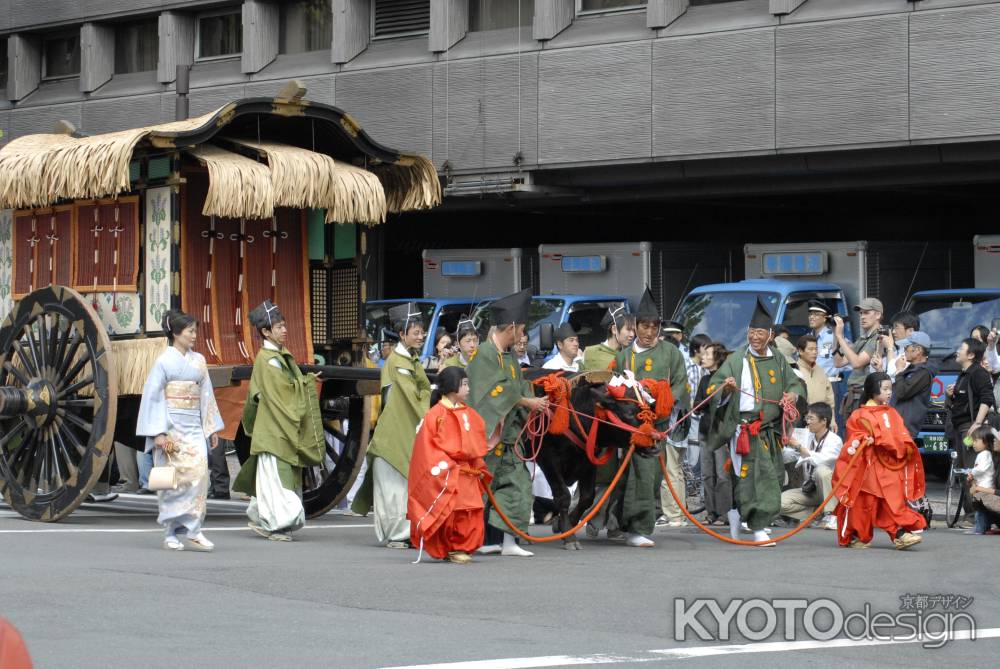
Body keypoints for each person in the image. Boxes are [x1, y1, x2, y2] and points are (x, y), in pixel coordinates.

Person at [707, 297, 804, 546]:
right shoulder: (736, 359)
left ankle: (740, 515)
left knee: (767, 474)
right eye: (751, 332)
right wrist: (726, 389)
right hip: (745, 429)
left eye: (760, 332)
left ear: (770, 334)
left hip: (770, 430)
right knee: (757, 477)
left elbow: (794, 383)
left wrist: (792, 394)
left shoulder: (779, 358)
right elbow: (713, 387)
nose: (755, 337)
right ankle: (758, 524)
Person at [233, 300, 325, 541]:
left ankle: (266, 518)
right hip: (274, 427)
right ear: (265, 331)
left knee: (277, 478)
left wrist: (303, 381)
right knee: (276, 478)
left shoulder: (279, 356)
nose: (285, 330)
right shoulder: (269, 359)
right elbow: (282, 393)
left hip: (278, 427)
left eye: (284, 326)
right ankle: (274, 524)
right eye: (279, 327)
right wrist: (304, 384)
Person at [467, 289, 549, 557]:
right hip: (490, 437)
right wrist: (526, 402)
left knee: (517, 487)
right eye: (522, 330)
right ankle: (479, 539)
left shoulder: (511, 356)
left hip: (511, 436)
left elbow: (519, 385)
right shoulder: (483, 355)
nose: (523, 336)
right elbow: (489, 392)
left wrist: (539, 398)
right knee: (481, 492)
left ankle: (508, 542)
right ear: (511, 327)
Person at [136, 309, 224, 552]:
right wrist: (159, 433)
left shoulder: (199, 361)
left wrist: (211, 427)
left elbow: (206, 394)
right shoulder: (164, 360)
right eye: (190, 331)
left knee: (199, 475)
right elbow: (153, 397)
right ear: (176, 333)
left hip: (194, 425)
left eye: (195, 331)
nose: (195, 335)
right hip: (171, 426)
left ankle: (194, 530)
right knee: (173, 481)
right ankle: (170, 533)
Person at [613, 288, 689, 545]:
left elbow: (681, 384)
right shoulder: (623, 355)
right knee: (628, 475)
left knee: (650, 476)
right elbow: (614, 386)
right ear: (635, 326)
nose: (648, 332)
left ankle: (636, 525)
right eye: (644, 326)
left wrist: (662, 400)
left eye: (653, 326)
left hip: (657, 426)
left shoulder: (671, 353)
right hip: (628, 426)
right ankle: (632, 527)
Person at [353, 302, 431, 548]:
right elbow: (417, 398)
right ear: (402, 334)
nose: (421, 336)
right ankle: (397, 534)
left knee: (400, 488)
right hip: (395, 432)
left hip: (403, 429)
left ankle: (403, 532)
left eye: (421, 332)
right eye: (416, 332)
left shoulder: (409, 360)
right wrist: (429, 393)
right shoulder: (399, 362)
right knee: (393, 489)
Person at [408, 366, 492, 563]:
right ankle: (451, 547)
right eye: (464, 384)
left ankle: (462, 546)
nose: (468, 388)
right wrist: (449, 467)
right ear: (453, 387)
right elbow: (427, 449)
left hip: (468, 472)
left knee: (471, 510)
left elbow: (476, 445)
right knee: (449, 511)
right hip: (450, 471)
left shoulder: (469, 413)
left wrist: (478, 464)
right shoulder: (435, 414)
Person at [833, 372, 926, 549]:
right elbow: (854, 437)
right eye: (885, 389)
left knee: (891, 501)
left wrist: (903, 447)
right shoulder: (859, 414)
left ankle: (899, 533)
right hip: (868, 468)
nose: (889, 393)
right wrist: (865, 440)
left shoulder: (892, 413)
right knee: (865, 503)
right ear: (872, 390)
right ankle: (859, 535)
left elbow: (902, 435)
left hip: (889, 466)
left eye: (890, 389)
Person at [581, 305, 635, 540]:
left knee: (624, 476)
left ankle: (615, 524)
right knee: (604, 473)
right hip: (601, 420)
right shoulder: (593, 353)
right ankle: (590, 518)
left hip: (624, 421)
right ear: (614, 329)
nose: (632, 335)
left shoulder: (630, 355)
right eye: (628, 330)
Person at [946, 337, 996, 526]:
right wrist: (949, 395)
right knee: (962, 469)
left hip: (970, 427)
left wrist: (977, 423)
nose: (957, 351)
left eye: (961, 348)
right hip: (960, 427)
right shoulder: (964, 374)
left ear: (971, 354)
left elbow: (987, 398)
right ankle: (971, 515)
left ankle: (977, 516)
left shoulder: (978, 373)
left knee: (972, 471)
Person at [779, 403, 842, 530]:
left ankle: (832, 515)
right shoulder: (807, 436)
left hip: (830, 490)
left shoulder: (835, 440)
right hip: (810, 490)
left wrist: (798, 447)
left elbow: (821, 460)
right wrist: (781, 444)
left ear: (824, 421)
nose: (807, 422)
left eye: (811, 418)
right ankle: (816, 514)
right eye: (807, 418)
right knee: (778, 503)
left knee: (821, 471)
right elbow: (789, 456)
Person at [697, 342, 731, 526]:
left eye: (707, 354)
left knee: (722, 474)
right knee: (707, 474)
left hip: (720, 431)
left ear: (717, 358)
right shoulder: (704, 380)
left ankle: (724, 513)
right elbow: (697, 405)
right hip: (705, 431)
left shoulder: (726, 380)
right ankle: (711, 512)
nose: (703, 357)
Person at [833, 297, 884, 418]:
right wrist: (835, 334)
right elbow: (838, 362)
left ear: (878, 315)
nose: (862, 317)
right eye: (861, 313)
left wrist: (841, 337)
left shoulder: (880, 337)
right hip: (854, 396)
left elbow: (856, 363)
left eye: (866, 313)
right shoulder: (863, 338)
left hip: (866, 397)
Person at [807, 301, 850, 427]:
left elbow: (849, 359)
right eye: (810, 313)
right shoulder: (808, 338)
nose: (811, 317)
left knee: (832, 424)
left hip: (831, 384)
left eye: (816, 314)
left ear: (825, 317)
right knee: (814, 424)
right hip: (811, 385)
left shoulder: (833, 337)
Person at [891, 331, 936, 439]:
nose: (904, 350)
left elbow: (902, 392)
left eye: (907, 347)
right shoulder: (912, 369)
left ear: (918, 350)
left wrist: (899, 371)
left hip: (905, 429)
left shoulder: (923, 372)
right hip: (897, 425)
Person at [793, 335, 837, 432]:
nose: (814, 352)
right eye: (810, 349)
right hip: (801, 421)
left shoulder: (821, 371)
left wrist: (832, 420)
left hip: (821, 420)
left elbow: (829, 398)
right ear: (800, 351)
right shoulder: (794, 371)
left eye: (816, 349)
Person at [966, 425, 997, 535]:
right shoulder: (982, 454)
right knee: (982, 509)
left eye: (976, 441)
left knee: (981, 509)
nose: (973, 443)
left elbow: (981, 468)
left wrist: (971, 472)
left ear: (986, 442)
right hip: (981, 485)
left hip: (985, 486)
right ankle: (983, 527)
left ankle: (980, 528)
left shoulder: (985, 454)